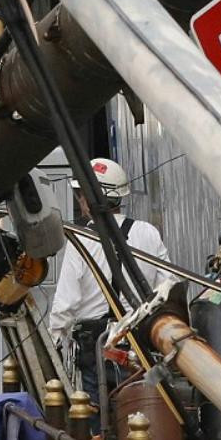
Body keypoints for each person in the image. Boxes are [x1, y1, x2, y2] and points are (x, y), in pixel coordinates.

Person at [47, 158, 169, 409]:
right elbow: (167, 289)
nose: (80, 200)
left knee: (92, 415)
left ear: (91, 199)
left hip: (95, 345)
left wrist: (55, 344)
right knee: (140, 410)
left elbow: (65, 305)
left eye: (81, 194)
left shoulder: (81, 240)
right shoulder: (148, 233)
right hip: (139, 343)